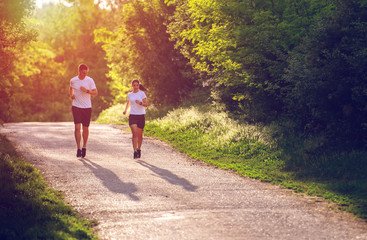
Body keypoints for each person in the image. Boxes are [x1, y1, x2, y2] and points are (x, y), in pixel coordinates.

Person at [69, 64, 98, 158]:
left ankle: (84, 146)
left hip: (87, 107)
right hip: (76, 106)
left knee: (85, 128)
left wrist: (87, 91)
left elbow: (96, 93)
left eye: (86, 73)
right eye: (83, 73)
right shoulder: (73, 80)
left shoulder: (90, 80)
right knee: (77, 128)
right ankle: (78, 148)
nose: (84, 74)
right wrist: (71, 95)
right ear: (79, 70)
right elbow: (71, 88)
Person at [123, 79, 148, 159]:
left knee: (140, 135)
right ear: (132, 86)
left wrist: (140, 103)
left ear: (138, 85)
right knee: (134, 133)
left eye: (137, 85)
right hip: (132, 115)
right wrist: (125, 110)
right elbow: (129, 103)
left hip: (141, 115)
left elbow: (146, 104)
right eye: (134, 85)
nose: (136, 87)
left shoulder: (142, 93)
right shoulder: (130, 94)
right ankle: (134, 151)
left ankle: (139, 149)